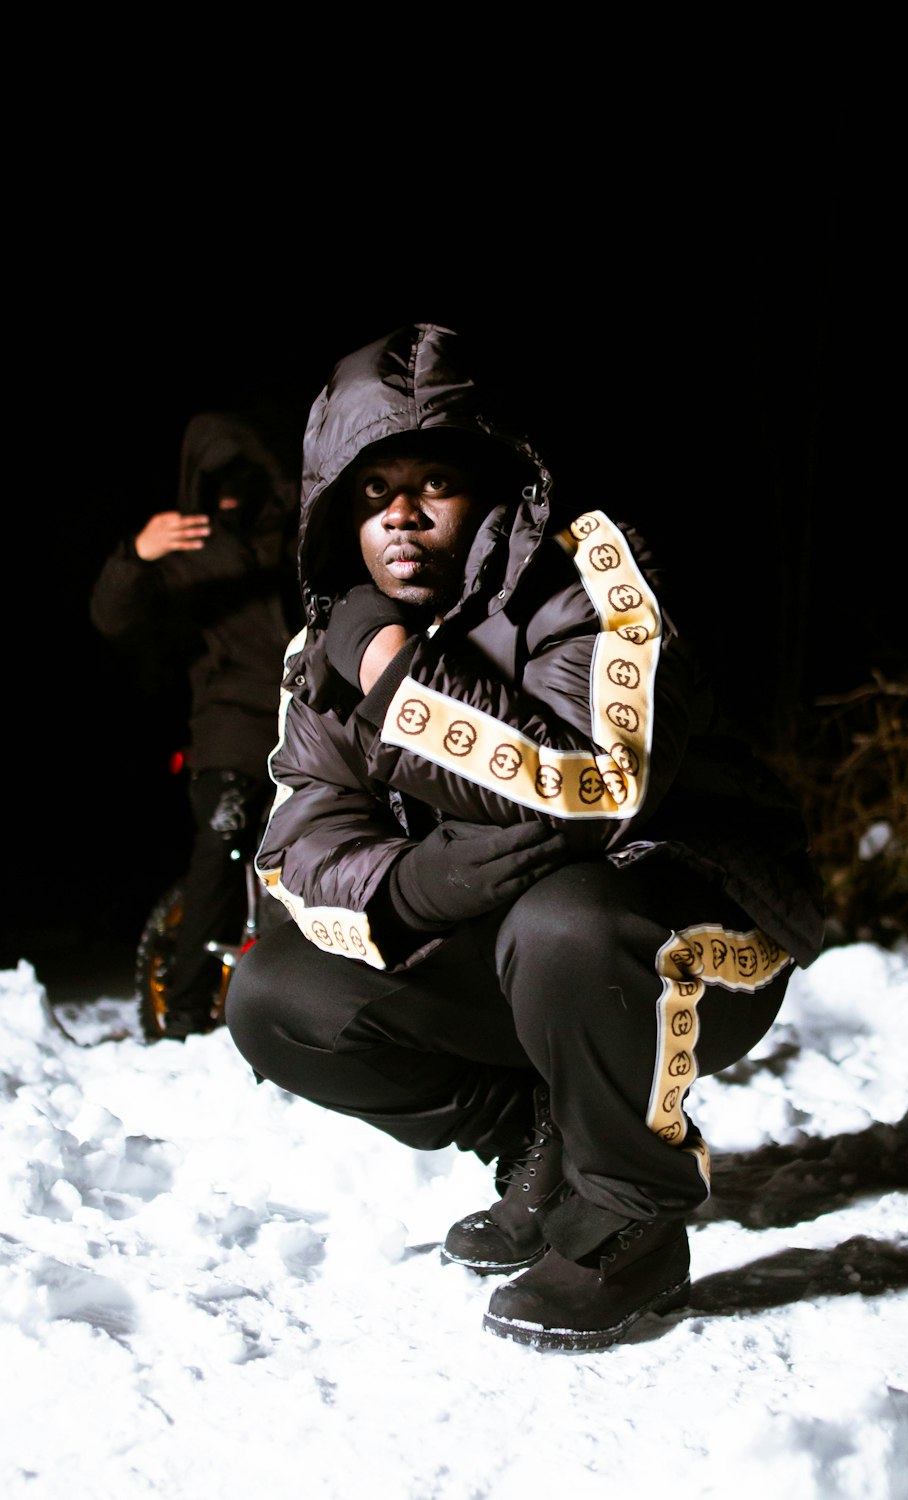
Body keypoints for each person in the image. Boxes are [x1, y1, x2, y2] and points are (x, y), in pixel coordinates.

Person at [224, 323, 826, 1351]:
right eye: (372, 494)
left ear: (495, 485)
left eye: (433, 484)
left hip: (686, 942)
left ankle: (629, 1224)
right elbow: (295, 846)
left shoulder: (597, 574)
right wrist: (409, 888)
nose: (401, 518)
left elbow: (594, 785)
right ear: (337, 513)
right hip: (514, 957)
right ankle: (542, 1145)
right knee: (278, 995)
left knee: (566, 917)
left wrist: (392, 671)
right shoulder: (323, 646)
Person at [90, 410, 301, 1040]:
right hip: (231, 727)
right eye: (217, 483)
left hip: (314, 720)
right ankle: (184, 1014)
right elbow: (112, 616)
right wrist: (137, 554)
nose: (232, 494)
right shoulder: (187, 554)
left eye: (244, 478)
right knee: (223, 839)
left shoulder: (298, 537)